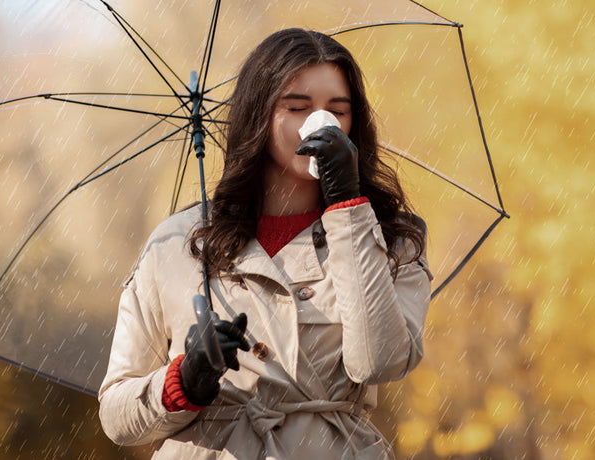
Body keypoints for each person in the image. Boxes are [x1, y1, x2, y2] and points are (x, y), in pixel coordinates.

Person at [98, 28, 433, 459]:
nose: (321, 124)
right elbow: (116, 415)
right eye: (297, 107)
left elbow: (377, 362)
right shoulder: (177, 242)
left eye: (339, 111)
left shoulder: (391, 237)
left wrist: (348, 204)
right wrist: (186, 381)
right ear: (258, 115)